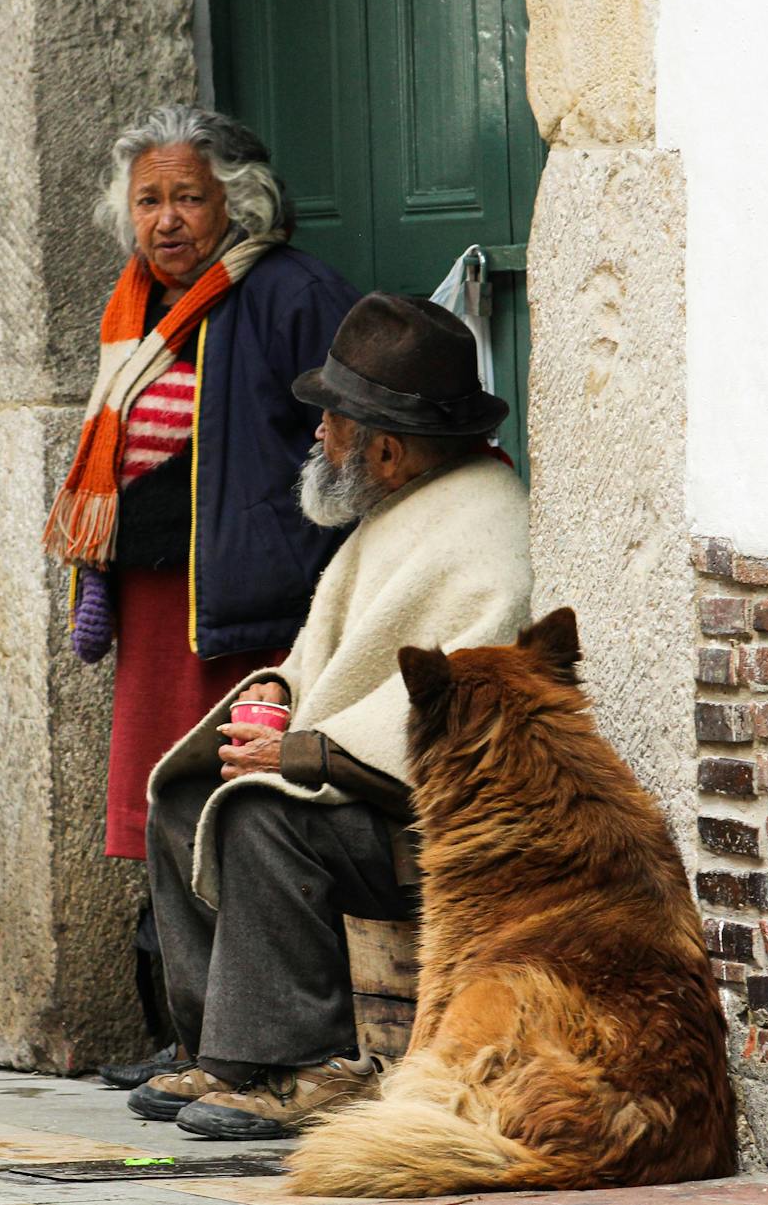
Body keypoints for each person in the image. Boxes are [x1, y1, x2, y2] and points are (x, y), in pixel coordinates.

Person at [129, 292, 533, 1140]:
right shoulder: (402, 506)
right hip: (350, 767)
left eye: (333, 421)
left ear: (385, 449)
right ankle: (222, 1048)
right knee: (187, 787)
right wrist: (278, 691)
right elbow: (330, 657)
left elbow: (457, 702)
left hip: (424, 816)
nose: (317, 434)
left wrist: (305, 752)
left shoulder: (488, 524)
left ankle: (308, 1065)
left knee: (268, 817)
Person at [42, 106, 359, 1086]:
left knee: (226, 807)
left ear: (239, 199)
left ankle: (236, 1042)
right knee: (160, 811)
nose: (167, 219)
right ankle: (187, 1037)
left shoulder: (289, 294)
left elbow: (343, 441)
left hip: (244, 606)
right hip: (154, 601)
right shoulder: (131, 307)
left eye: (188, 195)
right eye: (149, 199)